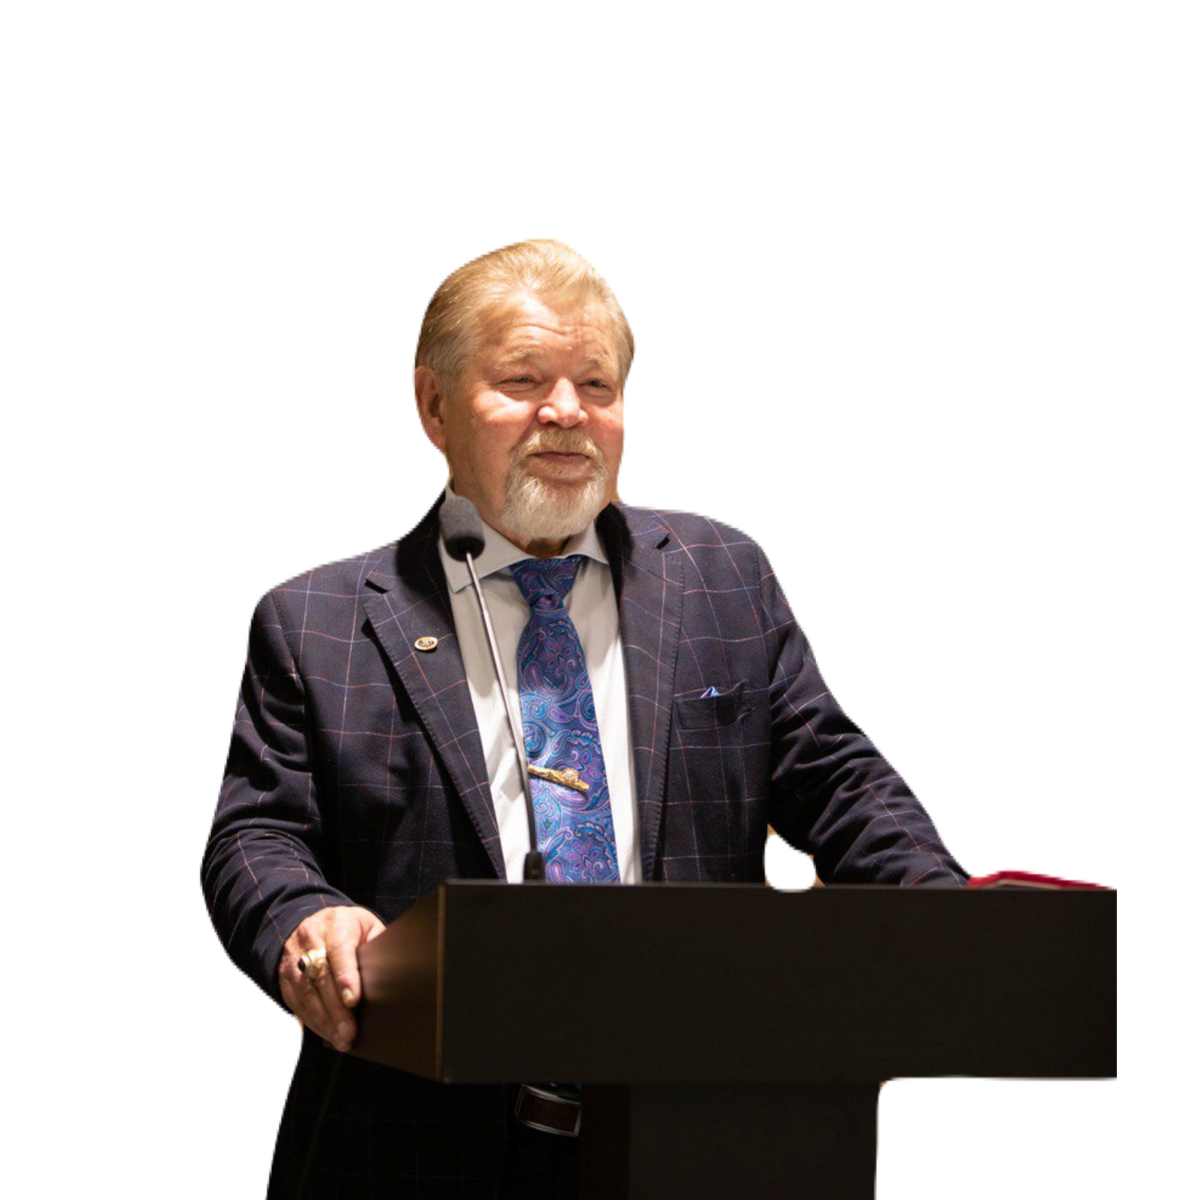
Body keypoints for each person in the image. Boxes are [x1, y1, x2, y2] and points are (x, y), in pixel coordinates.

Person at [201, 237, 969, 1198]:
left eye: (596, 385)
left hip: (699, 1137)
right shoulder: (315, 620)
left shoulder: (722, 576)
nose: (566, 411)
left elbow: (838, 780)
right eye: (523, 379)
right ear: (434, 406)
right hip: (411, 1142)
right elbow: (255, 835)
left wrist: (942, 907)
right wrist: (302, 920)